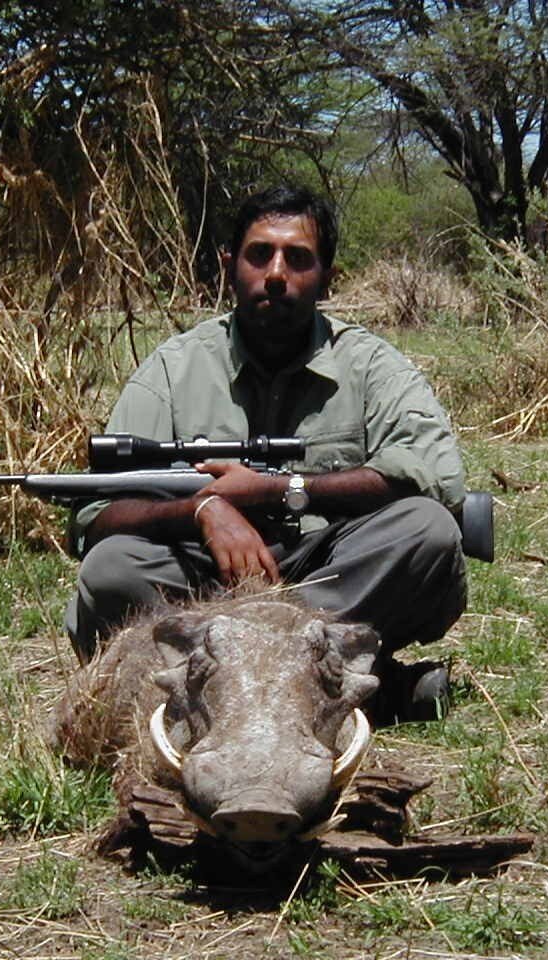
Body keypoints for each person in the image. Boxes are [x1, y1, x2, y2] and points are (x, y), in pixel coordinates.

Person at [65, 185, 467, 719]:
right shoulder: (172, 369)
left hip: (327, 571)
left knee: (428, 532)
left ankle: (229, 689)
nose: (276, 273)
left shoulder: (372, 365)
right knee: (112, 569)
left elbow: (439, 478)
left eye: (298, 258)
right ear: (229, 266)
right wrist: (202, 509)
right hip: (205, 581)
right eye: (260, 254)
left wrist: (284, 489)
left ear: (328, 277)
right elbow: (96, 519)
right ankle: (356, 689)